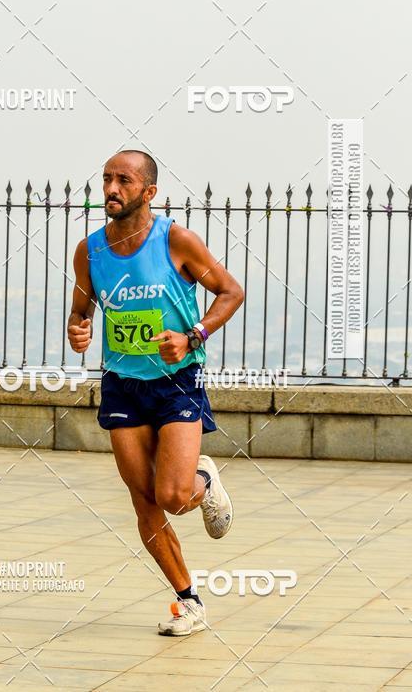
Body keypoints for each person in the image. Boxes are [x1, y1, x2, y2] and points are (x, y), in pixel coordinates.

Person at [67, 151, 244, 635]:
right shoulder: (90, 251)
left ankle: (203, 481)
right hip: (122, 386)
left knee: (173, 496)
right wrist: (78, 329)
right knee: (143, 500)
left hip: (177, 382)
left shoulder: (176, 241)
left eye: (123, 180)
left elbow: (231, 292)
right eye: (105, 178)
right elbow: (82, 310)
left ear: (149, 193)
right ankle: (189, 601)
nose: (111, 188)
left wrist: (193, 336)